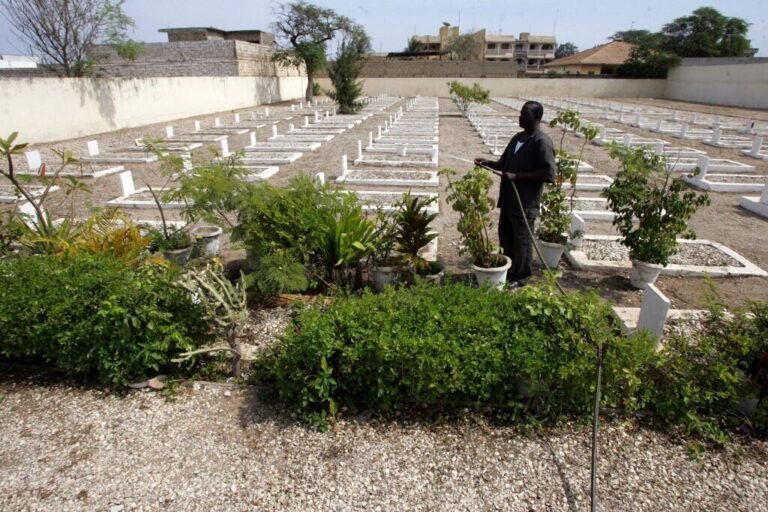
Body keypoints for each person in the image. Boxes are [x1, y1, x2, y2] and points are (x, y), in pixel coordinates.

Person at [474, 101, 556, 287]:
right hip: (509, 199)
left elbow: (548, 174)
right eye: (520, 113)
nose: (520, 117)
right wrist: (487, 162)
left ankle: (521, 276)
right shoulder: (517, 138)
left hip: (525, 203)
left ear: (536, 118)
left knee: (522, 240)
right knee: (506, 235)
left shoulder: (541, 142)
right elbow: (504, 164)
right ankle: (509, 270)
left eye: (524, 114)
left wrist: (518, 176)